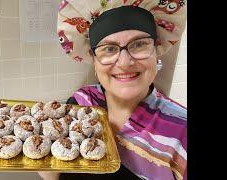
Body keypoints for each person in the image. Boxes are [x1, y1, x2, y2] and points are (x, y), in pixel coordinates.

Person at [40, 0, 187, 179]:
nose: (125, 63)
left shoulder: (181, 134)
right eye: (109, 49)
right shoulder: (81, 103)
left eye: (139, 44)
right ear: (94, 61)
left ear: (156, 50)